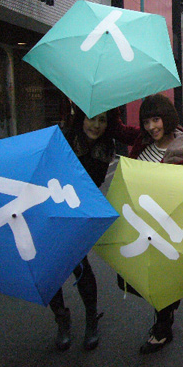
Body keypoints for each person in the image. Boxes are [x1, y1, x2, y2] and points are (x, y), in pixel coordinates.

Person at [126, 94, 183, 355]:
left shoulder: (181, 149)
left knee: (159, 278)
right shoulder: (142, 142)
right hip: (139, 222)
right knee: (130, 278)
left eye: (156, 120)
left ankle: (162, 328)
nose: (151, 127)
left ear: (166, 118)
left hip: (166, 225)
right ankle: (168, 307)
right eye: (146, 122)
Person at [51, 108, 124, 351]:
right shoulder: (63, 138)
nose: (96, 125)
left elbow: (94, 182)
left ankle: (91, 319)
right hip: (51, 204)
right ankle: (61, 318)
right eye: (91, 118)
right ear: (81, 119)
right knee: (49, 268)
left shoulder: (105, 146)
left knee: (79, 264)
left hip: (78, 209)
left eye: (102, 120)